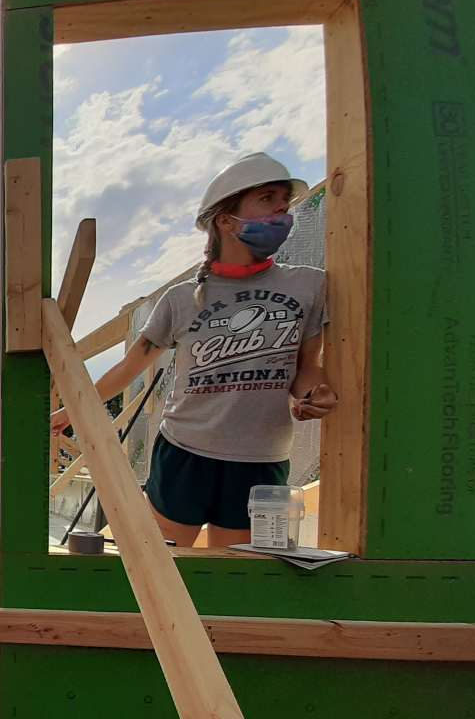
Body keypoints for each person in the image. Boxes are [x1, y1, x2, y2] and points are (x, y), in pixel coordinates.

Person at [50, 152, 337, 548]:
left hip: (260, 457)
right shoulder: (182, 300)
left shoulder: (308, 287)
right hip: (187, 451)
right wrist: (71, 412)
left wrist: (314, 395)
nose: (282, 210)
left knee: (231, 574)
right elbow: (128, 367)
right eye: (268, 199)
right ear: (225, 219)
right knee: (169, 567)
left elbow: (307, 367)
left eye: (285, 202)